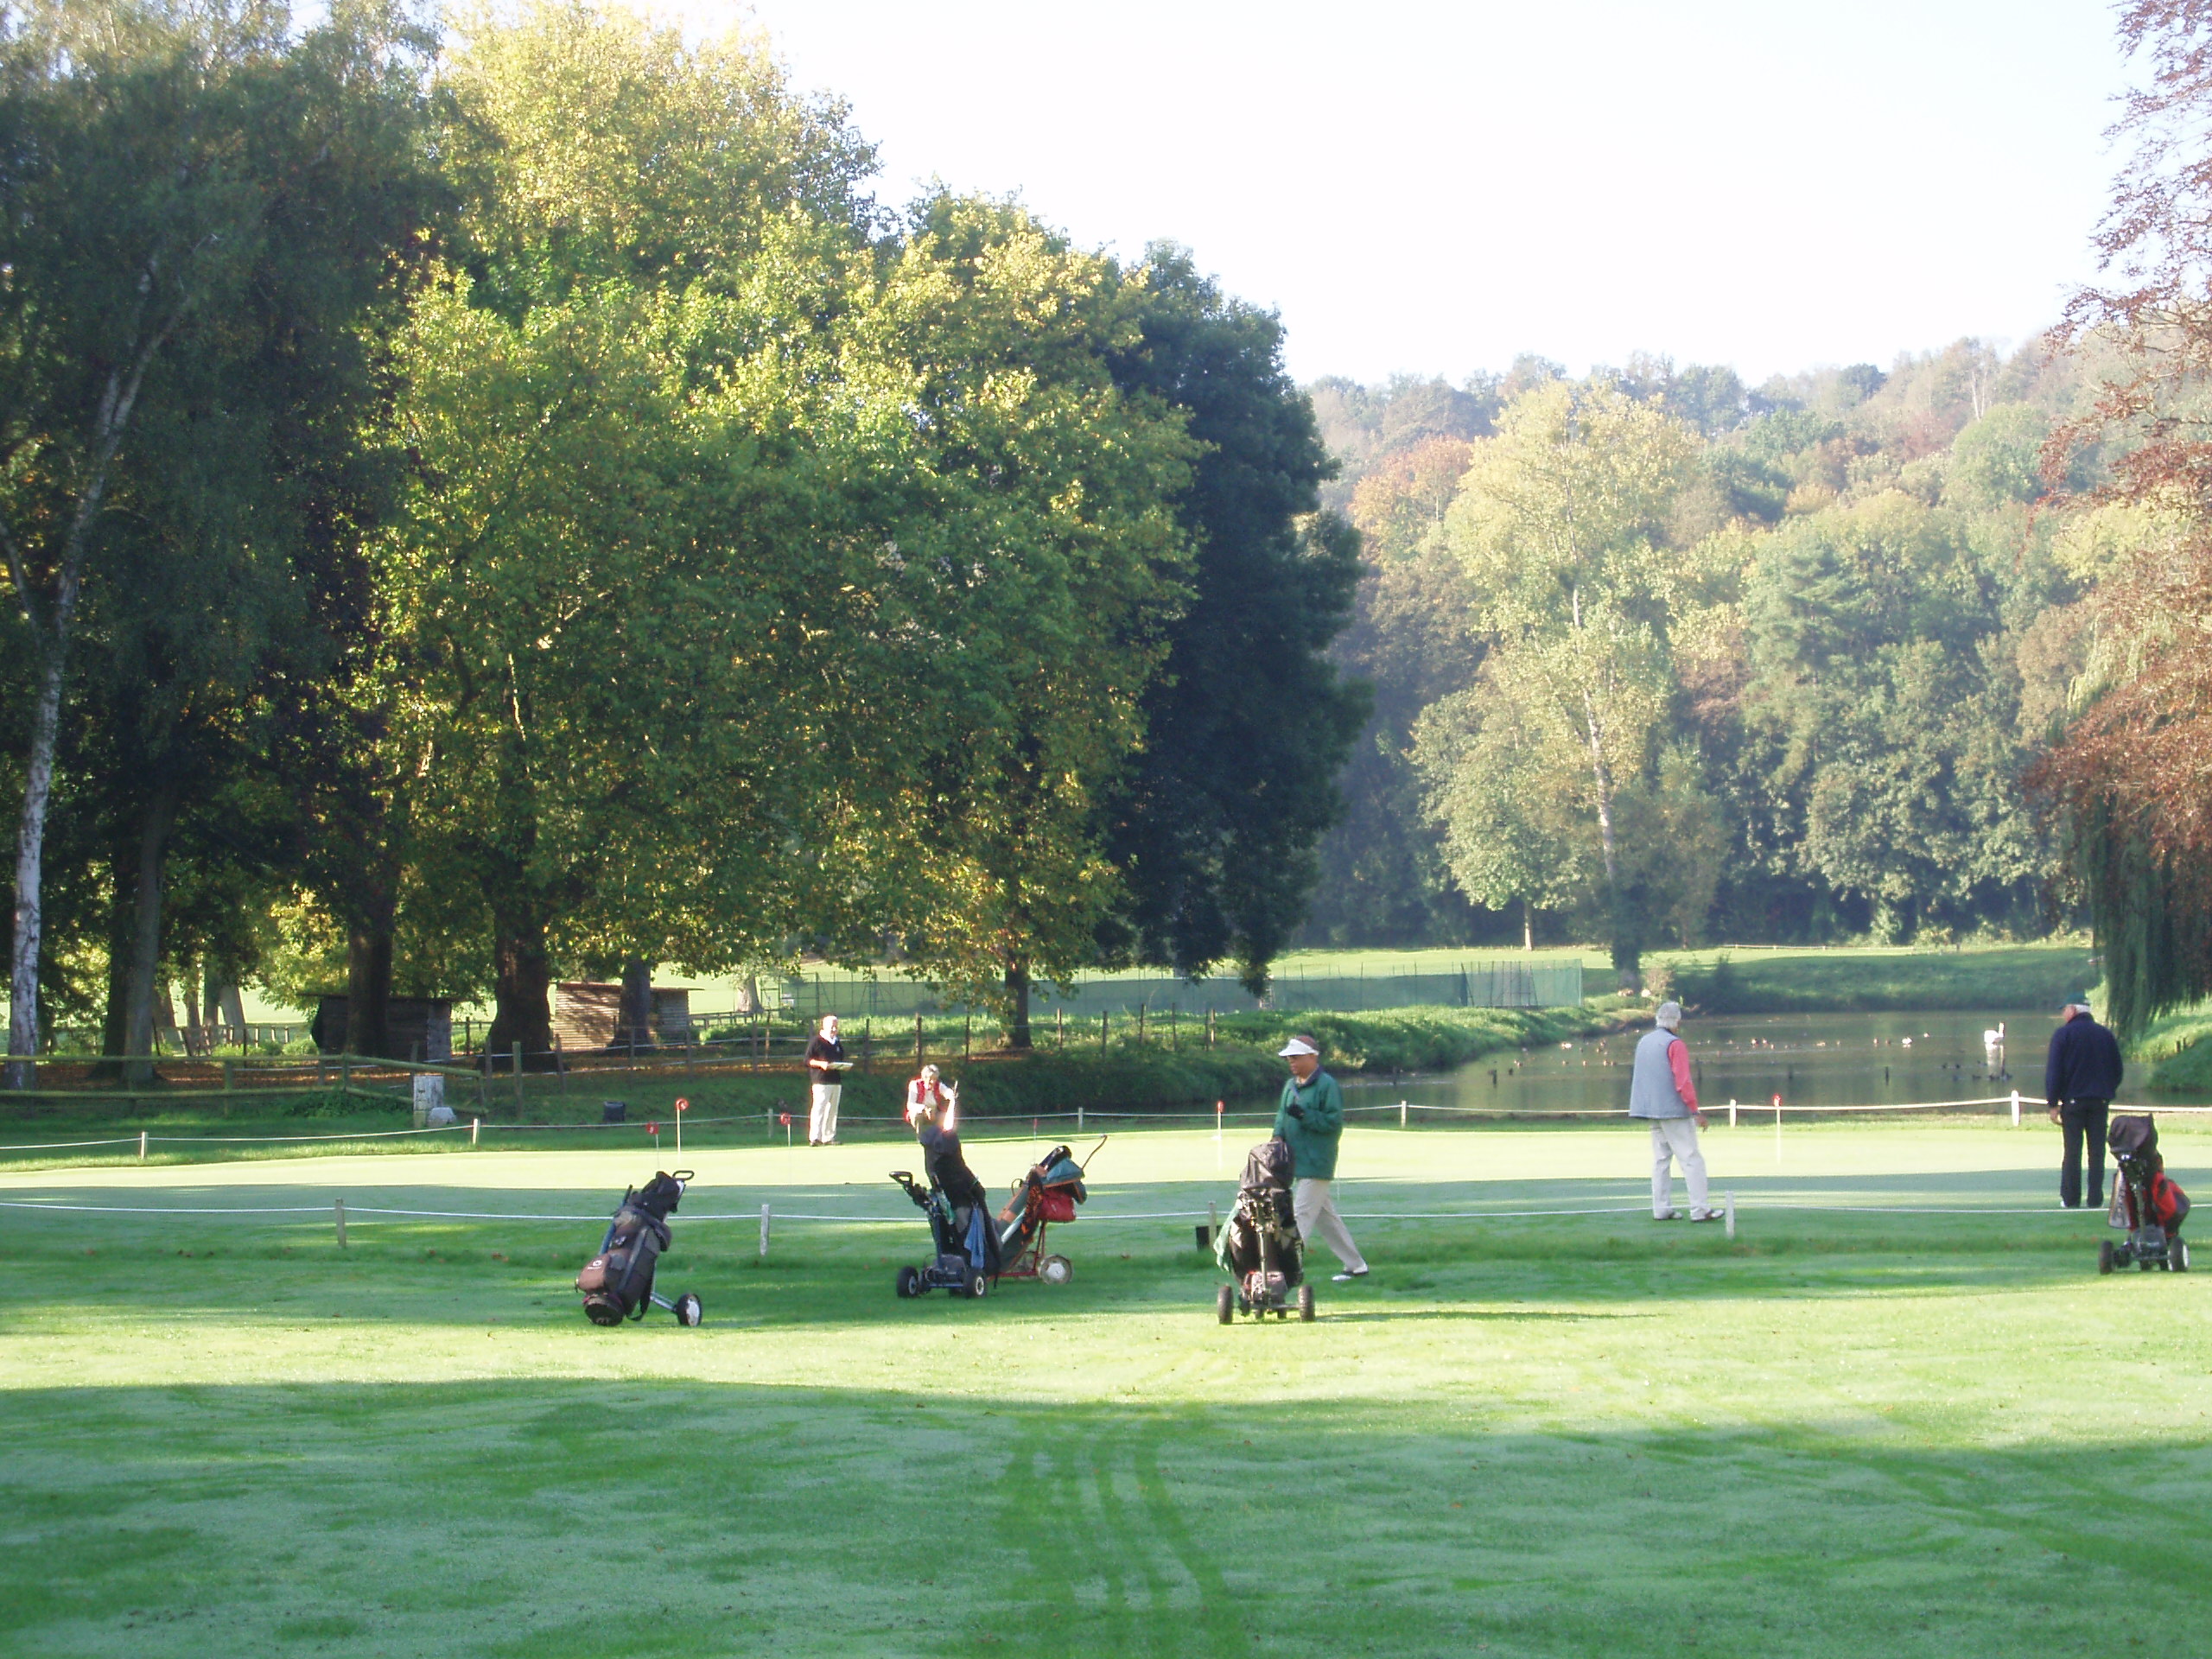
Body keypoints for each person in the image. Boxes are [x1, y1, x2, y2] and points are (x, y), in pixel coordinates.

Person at [1273, 1034, 1368, 1281]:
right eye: (1288, 1058)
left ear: (1312, 1057)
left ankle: (1285, 1270)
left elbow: (1332, 1124)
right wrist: (1275, 1142)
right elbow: (1281, 1120)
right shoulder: (1289, 1086)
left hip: (1317, 1162)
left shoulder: (1327, 1085)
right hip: (1295, 1162)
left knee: (1300, 1215)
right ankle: (1356, 1265)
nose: (1291, 1062)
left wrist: (1305, 1114)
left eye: (1296, 1057)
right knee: (1326, 1219)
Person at [1630, 1001, 1721, 1222]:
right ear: (1676, 1021)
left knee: (1661, 1160)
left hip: (1651, 1109)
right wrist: (1695, 1110)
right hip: (1673, 1110)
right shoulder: (1675, 1044)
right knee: (1691, 1159)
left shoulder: (1644, 1041)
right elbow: (1683, 1082)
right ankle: (1700, 1209)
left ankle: (1661, 1208)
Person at [2045, 995, 2124, 1210]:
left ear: (2073, 1010)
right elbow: (2117, 1070)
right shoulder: (2105, 1034)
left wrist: (2053, 1103)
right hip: (2099, 1101)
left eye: (2065, 1010)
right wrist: (2107, 1091)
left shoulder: (2063, 1035)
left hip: (2072, 1102)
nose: (2063, 1014)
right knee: (2097, 1152)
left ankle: (2070, 1199)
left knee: (2072, 1151)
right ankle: (2095, 1199)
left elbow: (2054, 1072)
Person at [804, 1014, 849, 1146]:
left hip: (835, 1080)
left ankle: (828, 1137)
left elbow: (840, 1058)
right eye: (832, 1026)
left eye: (836, 1026)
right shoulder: (816, 1041)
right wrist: (821, 1064)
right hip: (821, 1080)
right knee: (819, 1108)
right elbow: (807, 1060)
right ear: (824, 1026)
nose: (834, 1029)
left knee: (832, 1110)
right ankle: (815, 1137)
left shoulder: (837, 1042)